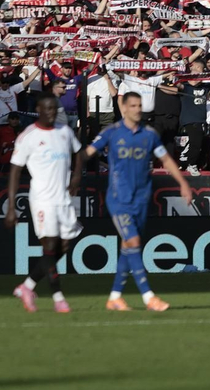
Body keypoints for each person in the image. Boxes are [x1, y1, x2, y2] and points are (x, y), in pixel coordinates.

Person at [82, 92, 195, 312]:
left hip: (142, 199)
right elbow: (87, 153)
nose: (137, 109)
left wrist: (182, 183)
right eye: (133, 105)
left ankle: (115, 297)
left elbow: (165, 159)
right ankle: (148, 297)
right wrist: (74, 170)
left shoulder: (149, 135)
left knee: (128, 246)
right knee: (133, 242)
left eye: (140, 105)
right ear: (123, 108)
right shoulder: (112, 133)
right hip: (119, 199)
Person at [7, 94, 84, 314]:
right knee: (49, 247)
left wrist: (77, 177)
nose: (51, 113)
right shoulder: (28, 136)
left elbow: (79, 152)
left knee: (64, 246)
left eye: (54, 109)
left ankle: (27, 286)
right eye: (47, 109)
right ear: (38, 110)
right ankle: (59, 299)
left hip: (63, 199)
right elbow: (14, 171)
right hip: (42, 199)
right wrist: (11, 207)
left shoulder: (65, 131)